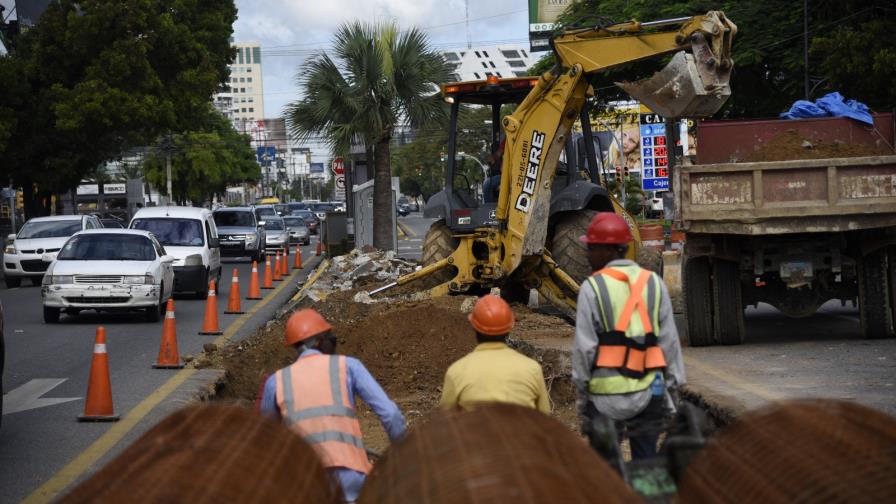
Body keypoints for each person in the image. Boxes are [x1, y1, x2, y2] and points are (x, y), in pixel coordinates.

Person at [572, 212, 685, 463]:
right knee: (646, 465)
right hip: (649, 395)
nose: (587, 254)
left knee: (608, 474)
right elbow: (669, 344)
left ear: (608, 250)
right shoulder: (654, 283)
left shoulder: (592, 288)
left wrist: (583, 397)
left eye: (591, 248)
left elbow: (584, 350)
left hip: (604, 400)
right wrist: (673, 391)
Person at [260, 309, 406, 502]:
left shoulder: (276, 382)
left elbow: (265, 438)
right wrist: (403, 452)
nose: (334, 342)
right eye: (330, 337)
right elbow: (391, 414)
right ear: (320, 341)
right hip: (350, 475)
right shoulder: (348, 366)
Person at [439, 295, 551, 413]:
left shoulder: (457, 372)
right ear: (509, 328)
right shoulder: (532, 369)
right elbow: (544, 417)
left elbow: (447, 419)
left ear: (474, 328)